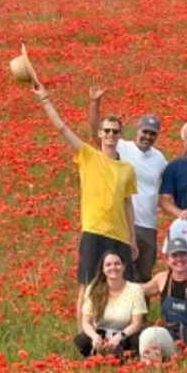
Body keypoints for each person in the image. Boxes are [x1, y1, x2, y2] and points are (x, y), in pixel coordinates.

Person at [30, 81, 137, 333]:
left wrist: (132, 238)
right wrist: (45, 100)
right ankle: (84, 337)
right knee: (87, 287)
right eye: (107, 131)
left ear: (120, 135)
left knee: (124, 287)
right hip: (94, 231)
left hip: (120, 235)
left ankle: (120, 336)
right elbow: (62, 128)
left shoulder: (127, 169)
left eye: (115, 131)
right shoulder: (88, 155)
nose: (110, 135)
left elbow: (128, 204)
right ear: (99, 133)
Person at [88, 86, 166, 283]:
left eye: (153, 133)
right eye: (145, 131)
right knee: (120, 273)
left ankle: (142, 305)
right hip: (122, 223)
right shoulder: (121, 147)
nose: (148, 136)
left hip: (148, 225)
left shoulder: (160, 159)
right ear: (137, 130)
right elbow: (96, 132)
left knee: (144, 275)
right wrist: (95, 103)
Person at [74, 251, 146, 358]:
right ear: (103, 269)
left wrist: (119, 337)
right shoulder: (93, 289)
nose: (113, 267)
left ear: (123, 266)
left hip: (124, 335)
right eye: (108, 265)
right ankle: (99, 353)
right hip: (100, 334)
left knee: (138, 340)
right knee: (81, 340)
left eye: (117, 264)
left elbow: (137, 323)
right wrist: (94, 337)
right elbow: (86, 322)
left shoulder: (135, 290)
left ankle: (120, 355)